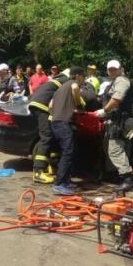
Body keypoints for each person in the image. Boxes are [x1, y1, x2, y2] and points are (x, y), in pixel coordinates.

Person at [94, 60, 133, 191]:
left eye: (115, 69)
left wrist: (104, 111)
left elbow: (117, 99)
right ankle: (116, 175)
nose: (112, 71)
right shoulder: (112, 83)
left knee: (115, 149)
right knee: (115, 146)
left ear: (121, 69)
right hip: (117, 120)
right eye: (110, 69)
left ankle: (127, 178)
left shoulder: (121, 80)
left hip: (120, 120)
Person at [49, 67, 86, 195]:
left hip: (55, 122)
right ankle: (59, 184)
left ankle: (65, 182)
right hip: (64, 123)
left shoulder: (60, 88)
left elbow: (50, 105)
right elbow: (75, 88)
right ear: (77, 76)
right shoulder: (73, 84)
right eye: (83, 76)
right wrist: (79, 105)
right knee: (68, 152)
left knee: (68, 151)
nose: (83, 79)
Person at [28, 69, 69, 184]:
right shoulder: (66, 80)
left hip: (38, 105)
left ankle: (50, 165)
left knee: (52, 135)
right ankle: (38, 172)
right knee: (46, 137)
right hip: (42, 107)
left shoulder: (57, 79)